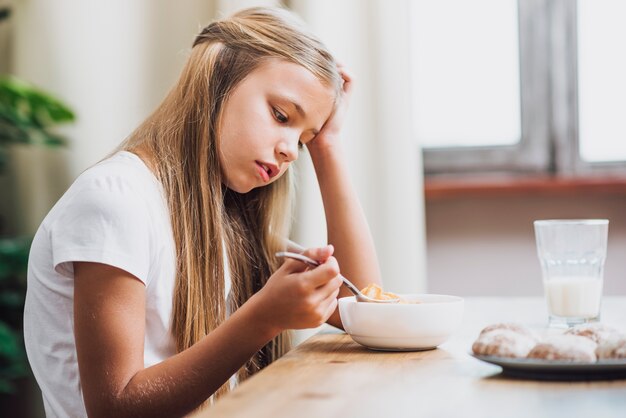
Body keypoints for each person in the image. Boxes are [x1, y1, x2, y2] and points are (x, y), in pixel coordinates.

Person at [24, 7, 382, 418]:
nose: (289, 150)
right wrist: (261, 319)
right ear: (217, 82)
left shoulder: (223, 215)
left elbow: (364, 308)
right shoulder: (115, 200)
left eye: (302, 141)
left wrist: (328, 145)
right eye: (281, 116)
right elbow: (115, 407)